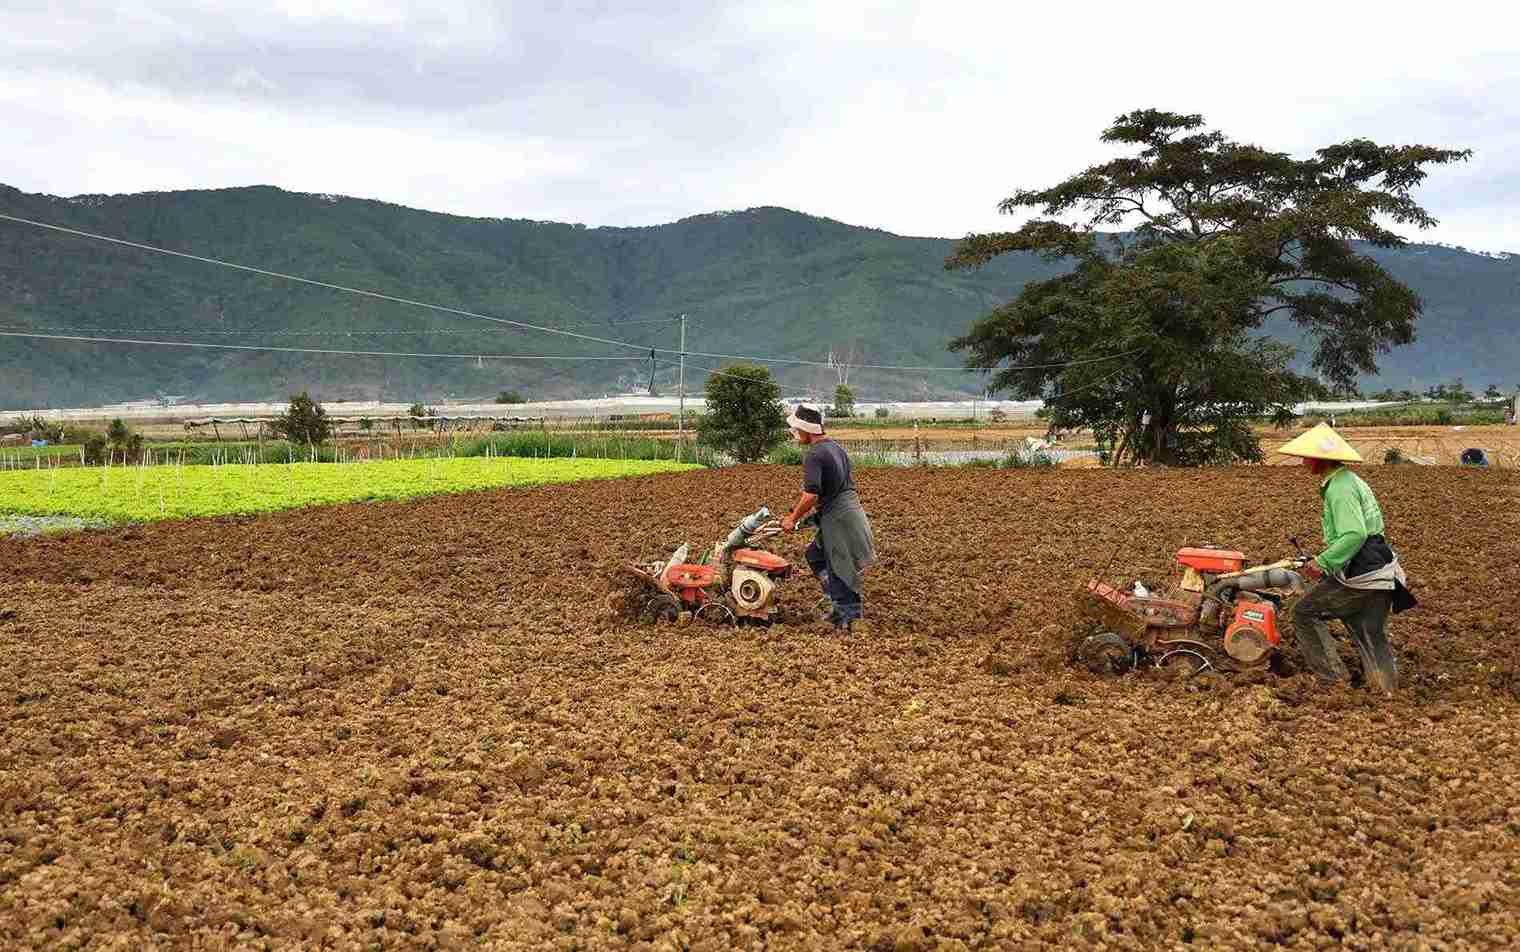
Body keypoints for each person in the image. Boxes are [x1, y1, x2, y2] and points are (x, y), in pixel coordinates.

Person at [1277, 423, 1417, 694]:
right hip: (1381, 567)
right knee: (1369, 630)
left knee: (1304, 613)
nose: (1304, 463)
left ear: (1319, 459)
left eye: (1306, 457)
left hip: (1363, 571)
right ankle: (1387, 691)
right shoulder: (1351, 480)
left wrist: (1323, 563)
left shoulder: (1339, 487)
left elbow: (1354, 533)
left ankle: (1334, 684)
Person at [780, 404, 876, 631]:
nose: (795, 434)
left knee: (838, 564)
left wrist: (793, 519)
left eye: (796, 429)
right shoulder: (835, 447)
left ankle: (848, 616)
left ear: (805, 429)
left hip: (839, 517)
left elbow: (811, 495)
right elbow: (834, 489)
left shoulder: (814, 454)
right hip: (847, 511)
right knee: (814, 555)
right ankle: (837, 600)